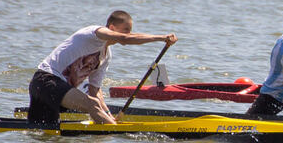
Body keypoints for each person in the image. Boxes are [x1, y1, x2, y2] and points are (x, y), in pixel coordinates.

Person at [27, 10, 176, 126]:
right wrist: (161, 38)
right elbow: (125, 39)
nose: (129, 34)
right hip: (46, 80)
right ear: (112, 28)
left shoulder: (105, 57)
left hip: (53, 89)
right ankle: (114, 136)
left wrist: (107, 114)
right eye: (126, 30)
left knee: (44, 129)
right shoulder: (95, 32)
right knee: (92, 105)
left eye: (130, 31)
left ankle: (108, 127)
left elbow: (94, 90)